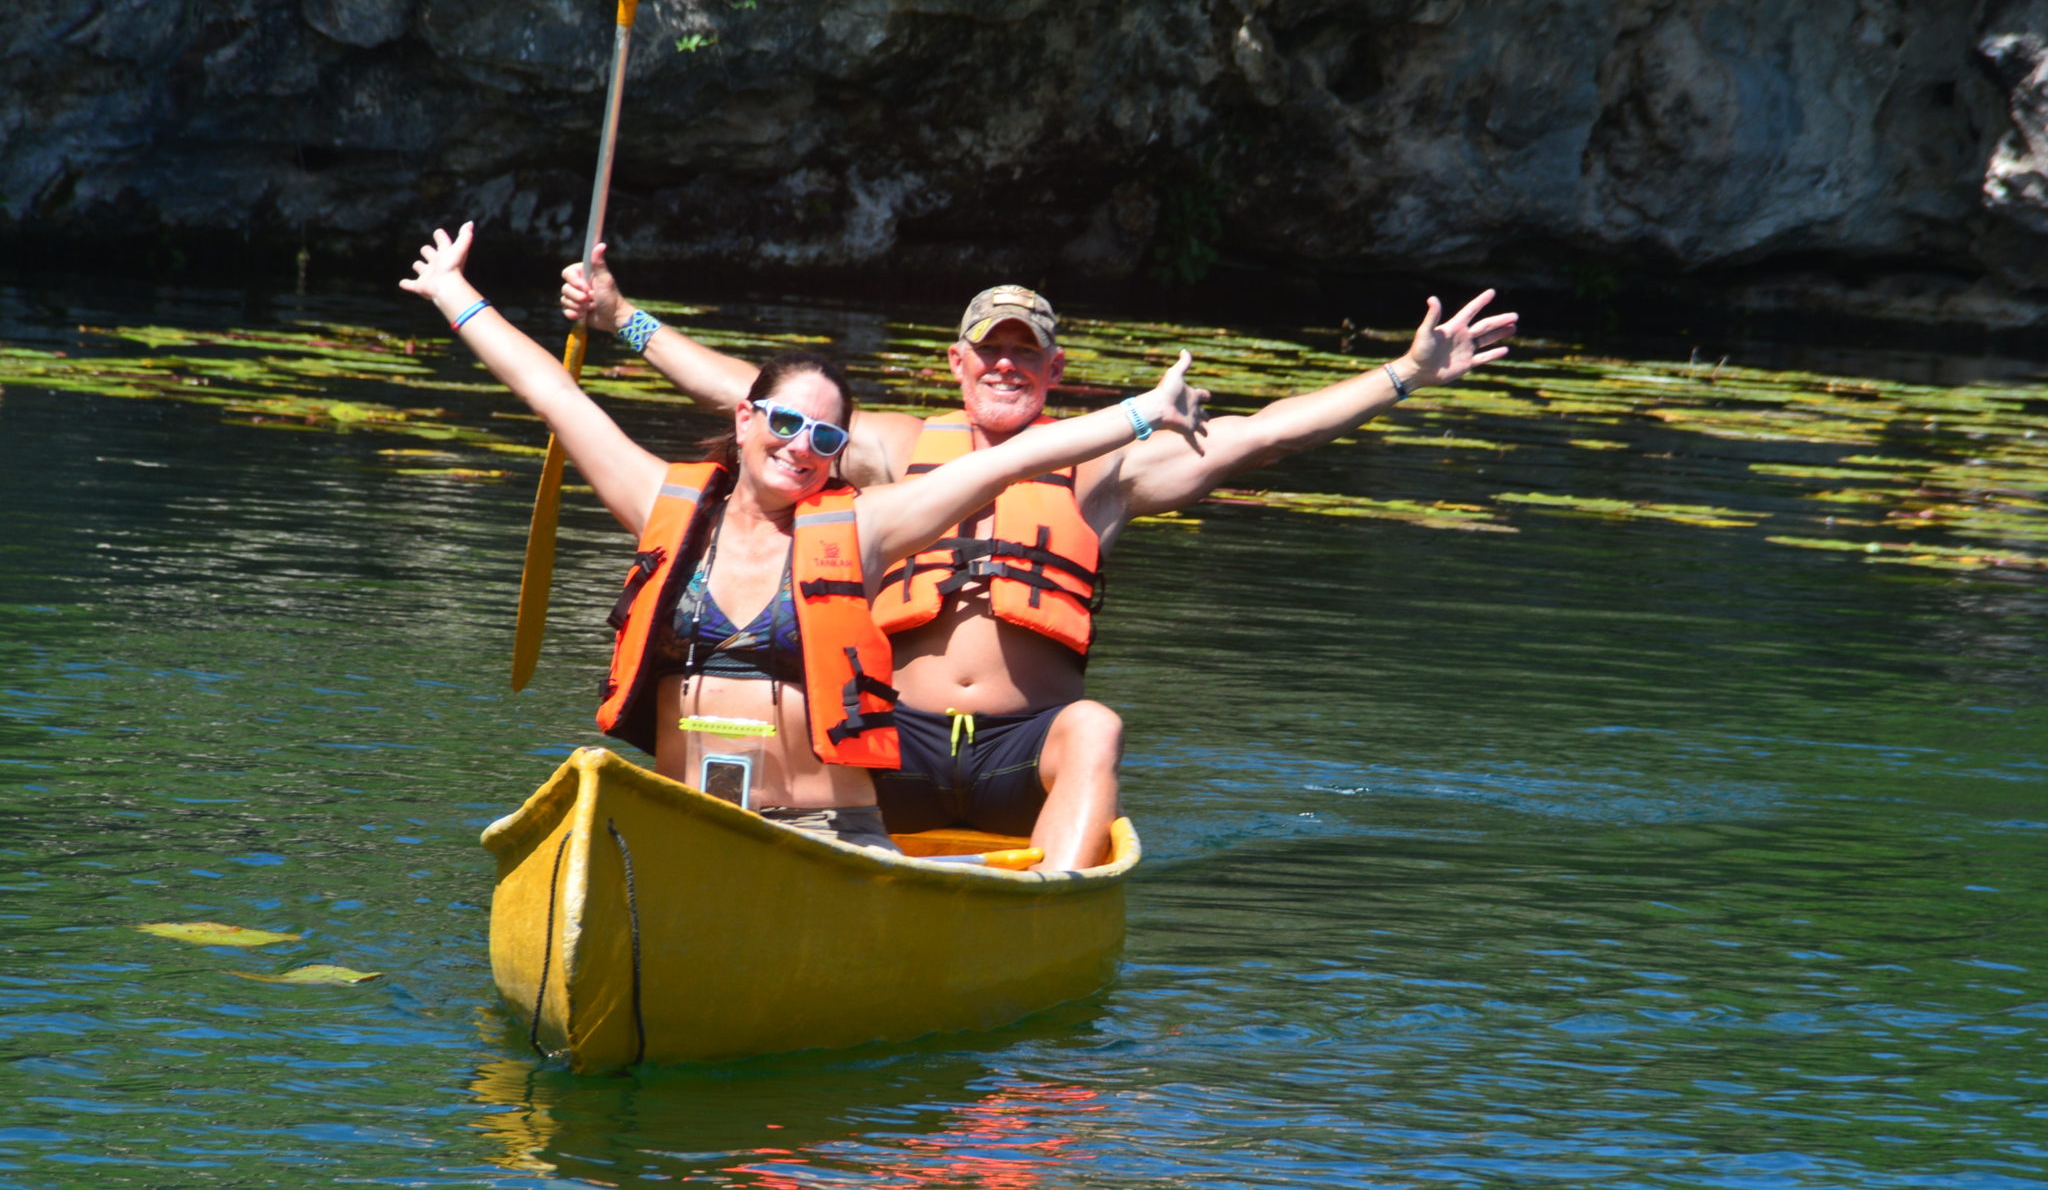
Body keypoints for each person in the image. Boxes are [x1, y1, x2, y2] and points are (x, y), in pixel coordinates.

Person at [564, 250, 1517, 869]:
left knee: (1096, 726)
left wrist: (1405, 374)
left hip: (1027, 747)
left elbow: (1260, 436)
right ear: (958, 362)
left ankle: (1047, 907)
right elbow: (751, 396)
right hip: (893, 741)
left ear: (1056, 372)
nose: (1008, 366)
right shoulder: (893, 448)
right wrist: (622, 318)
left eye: (1029, 354)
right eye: (992, 352)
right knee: (789, 712)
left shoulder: (1102, 468)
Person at [403, 222, 1208, 851]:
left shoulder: (862, 528)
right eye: (786, 424)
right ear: (745, 420)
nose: (801, 447)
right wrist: (452, 293)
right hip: (696, 820)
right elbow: (552, 392)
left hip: (831, 835)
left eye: (827, 440)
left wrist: (1143, 413)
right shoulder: (665, 503)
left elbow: (1026, 453)